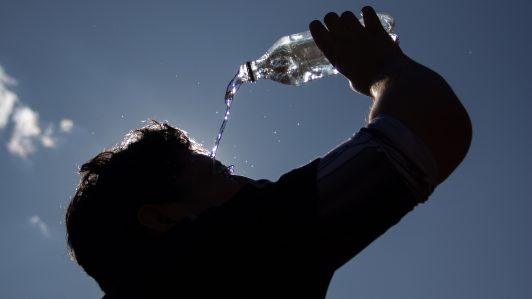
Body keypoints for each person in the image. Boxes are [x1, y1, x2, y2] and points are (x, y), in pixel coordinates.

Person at [65, 6, 472, 299]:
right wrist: (385, 70)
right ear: (160, 216)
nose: (251, 182)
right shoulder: (232, 250)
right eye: (221, 176)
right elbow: (431, 126)